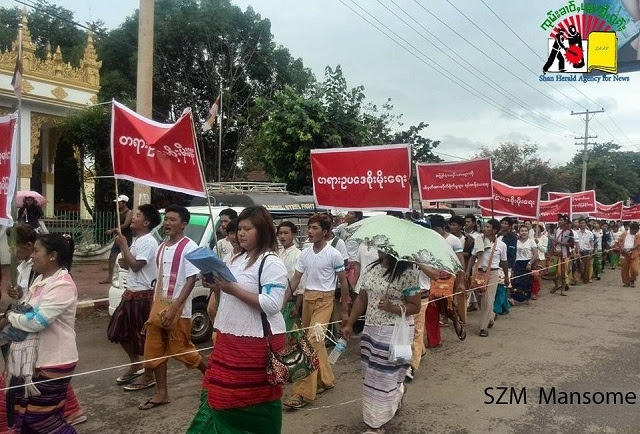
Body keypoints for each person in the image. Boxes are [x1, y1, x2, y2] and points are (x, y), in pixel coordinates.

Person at [187, 206, 288, 433]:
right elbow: (227, 295)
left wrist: (233, 289)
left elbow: (273, 304)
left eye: (247, 229)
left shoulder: (271, 262)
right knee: (219, 394)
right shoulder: (235, 258)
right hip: (228, 339)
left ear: (262, 230)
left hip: (255, 345)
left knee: (245, 399)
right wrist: (215, 285)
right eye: (239, 228)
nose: (241, 233)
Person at [4, 234, 79, 432]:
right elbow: (29, 309)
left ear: (52, 256)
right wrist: (20, 299)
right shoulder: (40, 279)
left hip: (55, 359)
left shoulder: (63, 284)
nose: (32, 255)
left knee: (40, 418)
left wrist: (11, 316)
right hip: (36, 360)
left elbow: (38, 321)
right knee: (27, 417)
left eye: (37, 251)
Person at [341, 251, 420, 434]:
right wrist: (350, 323)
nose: (380, 248)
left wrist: (392, 307)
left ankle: (376, 424)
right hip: (371, 331)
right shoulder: (372, 269)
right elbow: (362, 298)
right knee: (371, 374)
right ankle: (397, 392)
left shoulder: (408, 274)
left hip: (395, 332)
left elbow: (415, 306)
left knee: (382, 377)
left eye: (384, 245)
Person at [139, 204, 206, 410]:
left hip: (179, 310)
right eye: (166, 219)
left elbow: (190, 280)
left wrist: (174, 309)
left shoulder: (190, 247)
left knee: (182, 350)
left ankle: (211, 376)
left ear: (183, 224)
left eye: (172, 220)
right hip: (158, 308)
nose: (167, 223)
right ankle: (162, 393)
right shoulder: (161, 247)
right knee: (155, 350)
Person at [283, 213, 350, 409]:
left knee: (311, 342)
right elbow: (296, 279)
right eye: (309, 228)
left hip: (325, 302)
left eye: (315, 228)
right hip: (308, 301)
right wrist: (282, 301)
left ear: (325, 232)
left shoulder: (333, 254)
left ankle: (301, 392)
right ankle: (326, 379)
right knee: (314, 343)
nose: (310, 231)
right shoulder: (305, 254)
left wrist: (344, 311)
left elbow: (343, 281)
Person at [107, 204, 161, 390]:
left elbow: (137, 265)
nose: (133, 218)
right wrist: (126, 260)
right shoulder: (138, 240)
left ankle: (149, 374)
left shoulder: (148, 241)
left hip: (143, 295)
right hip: (131, 292)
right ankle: (136, 364)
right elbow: (131, 264)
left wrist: (123, 246)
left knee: (143, 337)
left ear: (146, 222)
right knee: (118, 331)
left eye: (137, 215)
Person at [469, 219, 509, 337]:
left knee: (487, 299)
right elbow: (473, 257)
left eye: (488, 227)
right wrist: (467, 271)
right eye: (485, 227)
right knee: (480, 299)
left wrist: (506, 276)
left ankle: (483, 327)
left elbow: (504, 262)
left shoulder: (501, 245)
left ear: (494, 230)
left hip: (493, 273)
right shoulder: (479, 241)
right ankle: (491, 316)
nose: (485, 229)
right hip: (479, 272)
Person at [277, 221, 304, 337]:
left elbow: (301, 283)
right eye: (280, 233)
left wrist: (297, 305)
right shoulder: (278, 254)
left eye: (286, 233)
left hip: (291, 301)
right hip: (278, 299)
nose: (282, 236)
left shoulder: (298, 255)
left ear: (293, 235)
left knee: (284, 334)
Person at [100, 194, 133, 284]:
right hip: (119, 238)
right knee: (112, 256)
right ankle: (109, 277)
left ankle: (128, 276)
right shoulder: (119, 213)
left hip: (126, 238)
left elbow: (125, 225)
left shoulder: (129, 212)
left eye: (119, 202)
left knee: (126, 258)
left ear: (124, 203)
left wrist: (113, 230)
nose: (117, 204)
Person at [511, 226, 538, 303]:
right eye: (522, 231)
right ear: (519, 232)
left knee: (528, 281)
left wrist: (530, 263)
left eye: (525, 231)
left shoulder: (531, 241)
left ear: (528, 232)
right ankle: (514, 299)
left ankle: (527, 298)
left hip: (528, 263)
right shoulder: (515, 242)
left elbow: (535, 253)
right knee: (516, 281)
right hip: (517, 263)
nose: (524, 232)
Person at [551, 214, 574, 296]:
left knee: (563, 273)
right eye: (559, 220)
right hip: (555, 254)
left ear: (565, 221)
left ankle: (562, 290)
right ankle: (556, 285)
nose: (559, 221)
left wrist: (560, 243)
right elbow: (554, 240)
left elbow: (571, 244)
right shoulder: (556, 230)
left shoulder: (569, 231)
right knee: (552, 271)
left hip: (564, 255)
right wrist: (554, 243)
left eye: (561, 220)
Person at [617, 222, 640, 287]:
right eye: (634, 230)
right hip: (625, 254)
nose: (635, 231)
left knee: (634, 269)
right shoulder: (624, 234)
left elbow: (637, 244)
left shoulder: (638, 236)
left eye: (636, 230)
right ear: (631, 229)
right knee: (624, 268)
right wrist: (622, 248)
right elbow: (619, 241)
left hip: (634, 254)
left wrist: (631, 249)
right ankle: (626, 281)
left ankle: (632, 280)